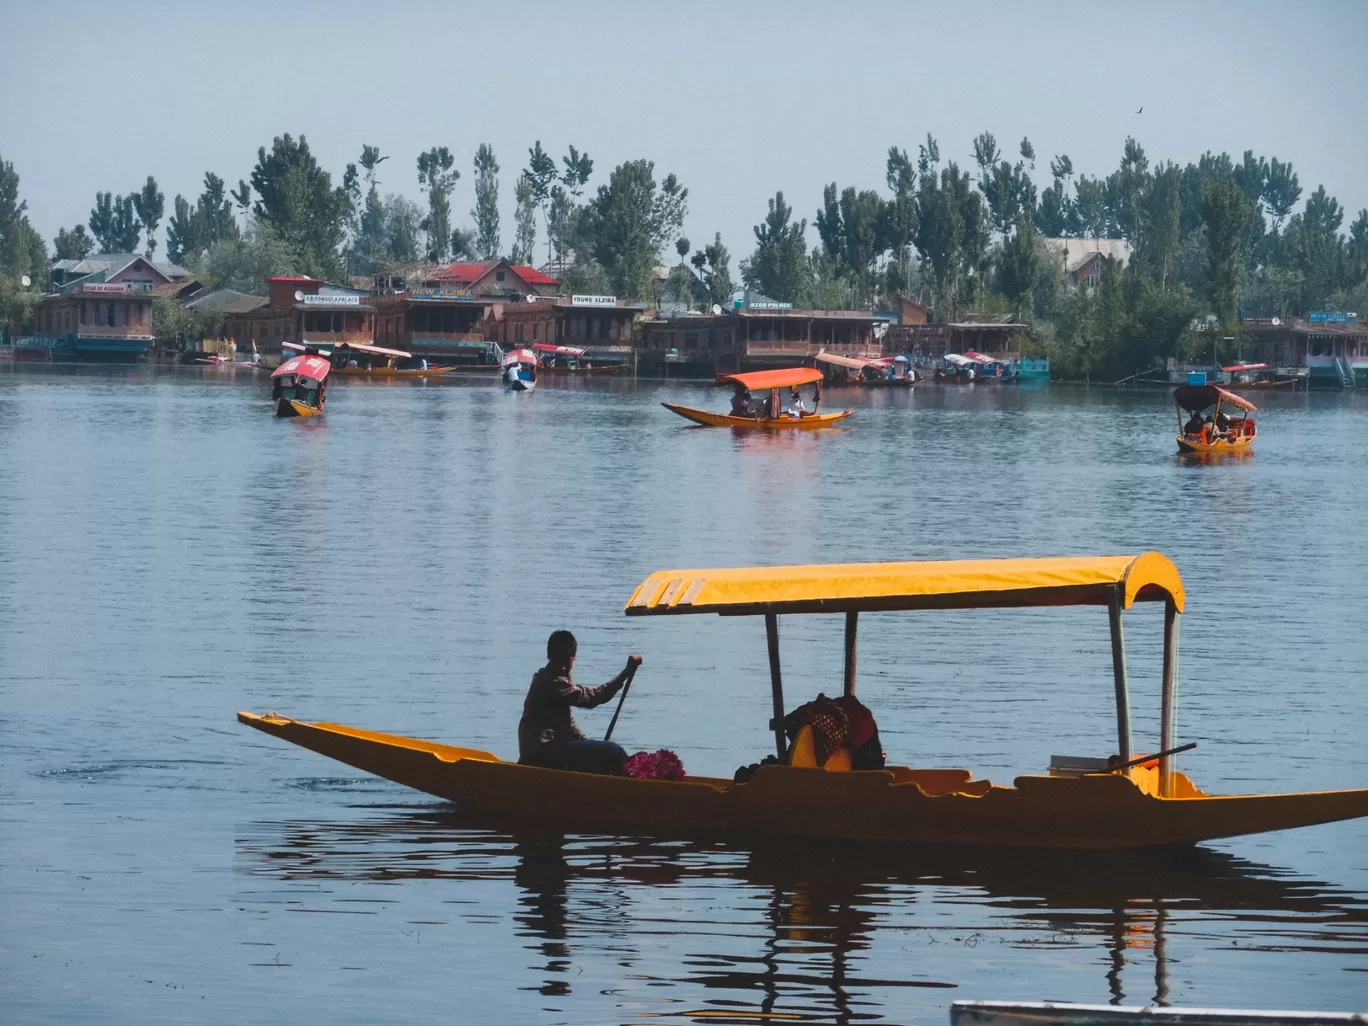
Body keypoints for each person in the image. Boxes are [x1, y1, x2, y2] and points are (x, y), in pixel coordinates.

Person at [518, 630, 642, 774]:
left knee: (606, 751)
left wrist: (591, 745)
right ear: (571, 659)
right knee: (613, 751)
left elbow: (570, 726)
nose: (564, 665)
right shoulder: (552, 681)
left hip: (544, 751)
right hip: (541, 754)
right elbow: (593, 698)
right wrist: (625, 673)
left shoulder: (549, 678)